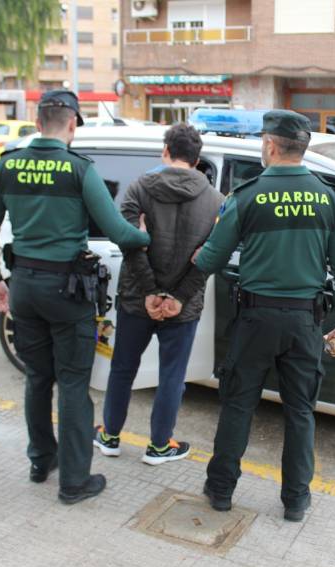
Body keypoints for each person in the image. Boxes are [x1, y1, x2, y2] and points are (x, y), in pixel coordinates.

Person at [0, 90, 151, 505]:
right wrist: (147, 235)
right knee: (73, 383)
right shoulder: (78, 170)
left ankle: (41, 460)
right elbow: (119, 233)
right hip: (67, 291)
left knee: (38, 377)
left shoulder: (7, 165)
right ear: (72, 124)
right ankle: (74, 481)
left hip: (23, 287)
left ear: (38, 123)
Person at [192, 110, 335, 522]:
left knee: (238, 405)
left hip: (255, 320)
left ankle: (220, 491)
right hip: (305, 323)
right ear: (302, 148)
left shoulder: (247, 196)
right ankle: (296, 501)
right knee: (301, 412)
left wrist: (197, 255)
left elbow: (211, 259)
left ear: (269, 145)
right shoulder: (329, 198)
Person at [94, 124, 222, 465]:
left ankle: (109, 436)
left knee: (122, 369)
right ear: (197, 160)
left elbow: (128, 242)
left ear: (166, 151)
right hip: (183, 307)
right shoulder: (216, 201)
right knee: (172, 376)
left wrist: (150, 291)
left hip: (138, 300)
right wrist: (178, 297)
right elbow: (210, 258)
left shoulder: (138, 189)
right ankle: (160, 445)